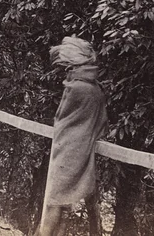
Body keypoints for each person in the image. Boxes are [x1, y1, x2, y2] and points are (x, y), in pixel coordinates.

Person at [37, 37, 108, 236]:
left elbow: (62, 120)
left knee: (53, 204)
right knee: (63, 206)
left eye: (67, 64)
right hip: (78, 152)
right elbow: (102, 123)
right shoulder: (94, 88)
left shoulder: (78, 88)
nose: (65, 69)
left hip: (67, 152)